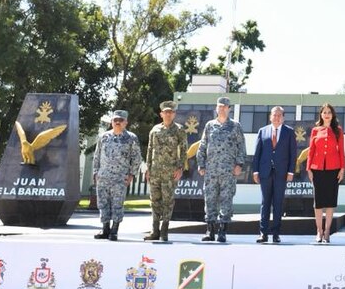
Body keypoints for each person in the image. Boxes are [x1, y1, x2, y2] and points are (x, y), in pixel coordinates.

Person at [196, 96, 246, 243]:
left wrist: (239, 164)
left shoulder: (235, 126)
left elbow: (241, 147)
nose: (222, 108)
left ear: (229, 109)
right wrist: (201, 164)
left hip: (228, 171)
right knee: (210, 200)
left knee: (226, 200)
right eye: (220, 106)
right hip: (211, 171)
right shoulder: (209, 125)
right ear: (216, 108)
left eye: (225, 106)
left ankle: (222, 232)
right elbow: (203, 146)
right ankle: (210, 231)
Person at [92, 109, 142, 241]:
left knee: (117, 204)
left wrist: (132, 174)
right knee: (103, 203)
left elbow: (136, 158)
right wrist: (95, 172)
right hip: (103, 176)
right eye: (115, 120)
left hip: (120, 178)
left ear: (126, 122)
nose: (118, 122)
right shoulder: (104, 137)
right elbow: (97, 156)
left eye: (121, 120)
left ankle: (114, 230)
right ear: (111, 122)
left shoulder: (131, 138)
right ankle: (105, 229)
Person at [144, 101, 187, 243]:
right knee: (154, 201)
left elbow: (184, 151)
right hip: (155, 171)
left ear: (174, 114)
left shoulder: (179, 130)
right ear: (161, 114)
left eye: (171, 112)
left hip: (170, 172)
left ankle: (164, 230)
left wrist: (180, 168)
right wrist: (148, 169)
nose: (168, 114)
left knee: (168, 201)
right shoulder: (155, 130)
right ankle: (155, 230)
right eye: (166, 112)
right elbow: (150, 150)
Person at [251, 106, 295, 244]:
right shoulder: (262, 131)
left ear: (283, 117)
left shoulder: (289, 132)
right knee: (265, 203)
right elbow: (257, 153)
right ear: (270, 116)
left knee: (278, 203)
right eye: (274, 115)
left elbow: (293, 154)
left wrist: (290, 171)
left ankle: (276, 233)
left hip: (281, 173)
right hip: (265, 172)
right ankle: (263, 233)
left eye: (279, 115)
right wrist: (255, 171)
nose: (276, 117)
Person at [307, 103, 345, 243]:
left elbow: (341, 150)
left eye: (329, 112)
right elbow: (311, 150)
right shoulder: (315, 130)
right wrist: (309, 168)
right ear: (321, 114)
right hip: (317, 169)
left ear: (332, 114)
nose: (327, 114)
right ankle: (319, 230)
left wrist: (342, 168)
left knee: (330, 202)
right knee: (318, 202)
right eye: (324, 112)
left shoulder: (338, 130)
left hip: (333, 169)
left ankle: (328, 231)